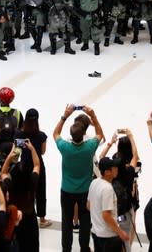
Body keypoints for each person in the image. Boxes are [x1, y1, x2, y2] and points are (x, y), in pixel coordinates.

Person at [54, 104, 104, 252]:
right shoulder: (90, 147)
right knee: (85, 221)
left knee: (66, 222)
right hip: (85, 191)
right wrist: (93, 115)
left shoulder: (65, 147)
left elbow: (55, 133)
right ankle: (84, 248)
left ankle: (66, 248)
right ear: (84, 135)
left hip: (67, 190)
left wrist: (65, 115)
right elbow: (100, 134)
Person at [89, 157, 130, 252]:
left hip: (96, 232)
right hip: (108, 236)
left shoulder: (94, 182)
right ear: (107, 172)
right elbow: (106, 215)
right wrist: (120, 233)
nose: (117, 168)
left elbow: (88, 205)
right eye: (114, 167)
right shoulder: (108, 189)